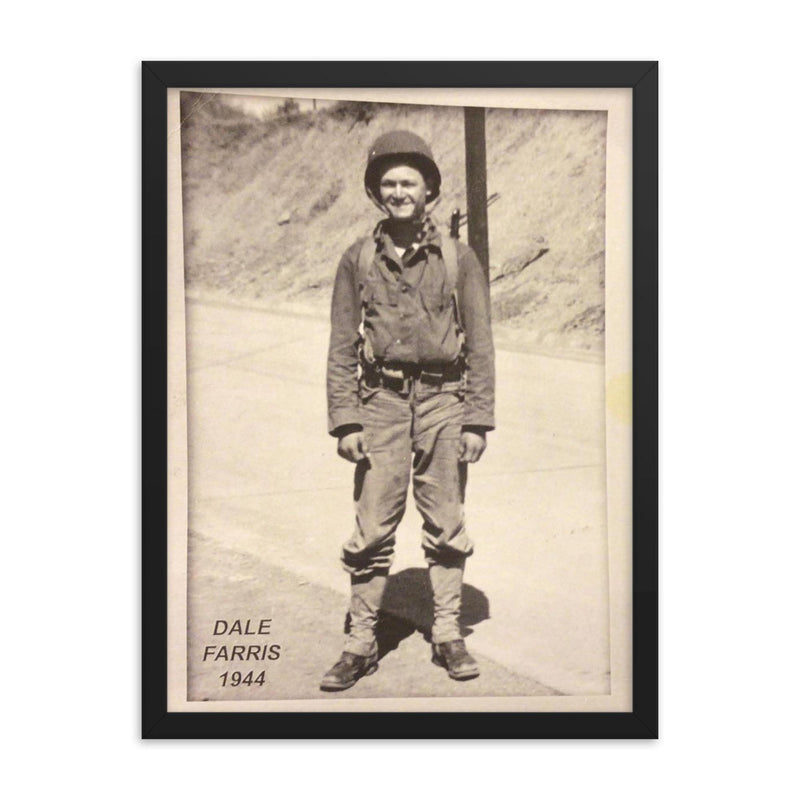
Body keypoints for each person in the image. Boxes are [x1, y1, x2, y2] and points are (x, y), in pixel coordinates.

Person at [321, 130, 495, 691]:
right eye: (388, 183)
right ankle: (360, 641)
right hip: (381, 403)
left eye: (409, 183)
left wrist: (476, 419)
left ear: (429, 192)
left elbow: (482, 341)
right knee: (372, 526)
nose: (399, 193)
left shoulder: (457, 258)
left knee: (446, 522)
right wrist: (346, 418)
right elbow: (342, 344)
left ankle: (447, 632)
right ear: (377, 192)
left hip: (444, 401)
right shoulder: (358, 259)